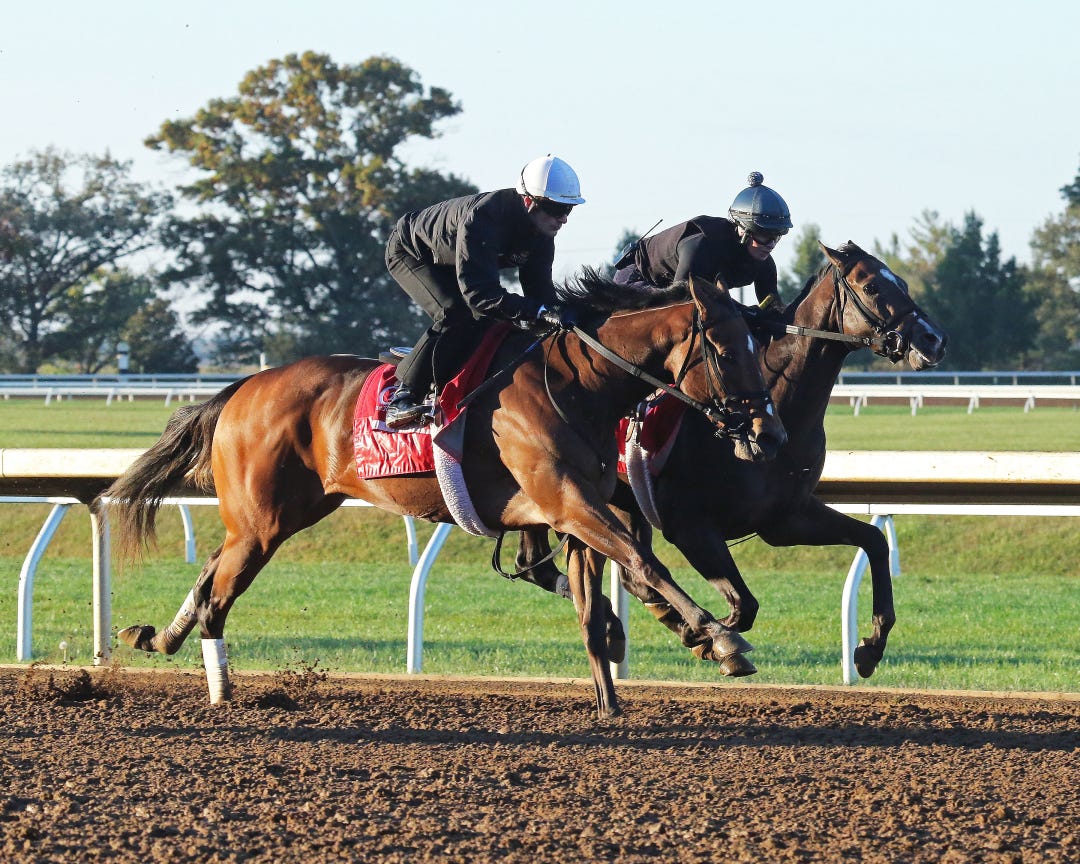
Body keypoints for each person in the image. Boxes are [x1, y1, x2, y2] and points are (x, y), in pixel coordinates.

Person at [383, 155, 585, 429]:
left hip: (458, 260)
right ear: (528, 201)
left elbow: (540, 294)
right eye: (555, 208)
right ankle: (403, 396)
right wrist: (537, 311)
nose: (563, 219)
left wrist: (562, 316)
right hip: (412, 253)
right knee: (455, 312)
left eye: (568, 209)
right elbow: (479, 295)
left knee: (494, 324)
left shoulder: (543, 234)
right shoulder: (485, 218)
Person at [613, 171, 793, 313]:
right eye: (764, 236)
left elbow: (773, 310)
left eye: (777, 236)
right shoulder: (701, 246)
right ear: (742, 230)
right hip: (636, 279)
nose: (771, 245)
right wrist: (743, 311)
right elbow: (680, 301)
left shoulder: (765, 264)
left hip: (671, 290)